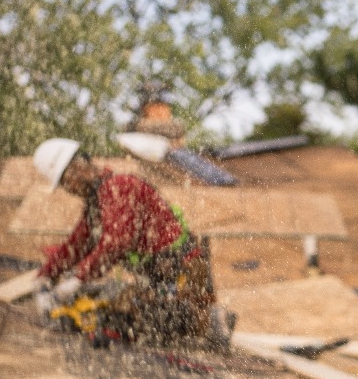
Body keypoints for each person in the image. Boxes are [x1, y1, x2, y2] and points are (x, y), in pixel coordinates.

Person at [31, 137, 230, 346]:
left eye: (65, 183)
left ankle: (209, 323)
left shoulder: (119, 188)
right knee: (115, 308)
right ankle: (196, 321)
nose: (69, 190)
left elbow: (117, 241)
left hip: (182, 274)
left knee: (138, 321)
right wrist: (45, 276)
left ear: (76, 171)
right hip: (161, 277)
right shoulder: (98, 200)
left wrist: (78, 279)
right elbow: (78, 243)